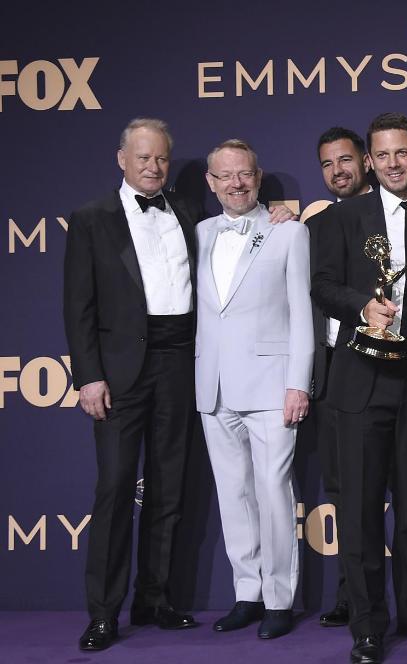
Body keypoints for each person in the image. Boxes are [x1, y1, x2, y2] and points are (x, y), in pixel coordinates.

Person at [311, 113, 407, 664]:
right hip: (362, 377)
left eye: (402, 153)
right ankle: (369, 626)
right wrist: (361, 307)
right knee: (360, 509)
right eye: (382, 155)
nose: (393, 163)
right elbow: (323, 286)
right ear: (369, 160)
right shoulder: (343, 216)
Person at [64, 118, 201, 651]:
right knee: (117, 488)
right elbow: (78, 308)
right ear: (122, 159)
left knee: (169, 488)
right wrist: (89, 376)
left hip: (179, 361)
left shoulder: (189, 213)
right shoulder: (91, 219)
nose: (153, 167)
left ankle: (156, 598)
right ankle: (103, 612)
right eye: (143, 158)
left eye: (162, 159)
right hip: (119, 372)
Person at [194, 139, 313, 640]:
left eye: (244, 174)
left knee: (272, 493)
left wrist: (298, 384)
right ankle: (248, 592)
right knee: (233, 496)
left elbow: (302, 313)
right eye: (225, 176)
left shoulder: (289, 232)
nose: (236, 184)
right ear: (211, 182)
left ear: (258, 177)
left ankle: (280, 599)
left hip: (271, 385)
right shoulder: (198, 234)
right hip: (213, 386)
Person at [309, 126, 374, 628]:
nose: (338, 172)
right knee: (344, 491)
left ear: (367, 162)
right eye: (328, 165)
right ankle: (352, 595)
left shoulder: (399, 219)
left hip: (395, 367)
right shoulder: (314, 226)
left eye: (346, 160)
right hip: (334, 372)